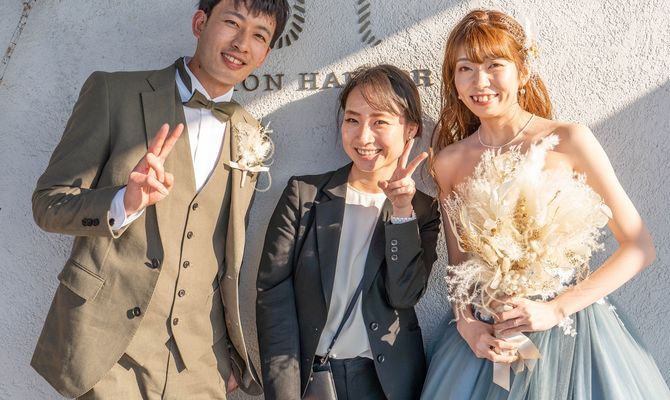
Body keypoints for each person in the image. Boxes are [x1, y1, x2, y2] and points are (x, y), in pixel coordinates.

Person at [30, 0, 288, 398]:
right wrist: (123, 203)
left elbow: (223, 253)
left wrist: (226, 354)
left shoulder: (250, 133)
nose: (241, 43)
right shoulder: (113, 93)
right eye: (232, 23)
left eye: (258, 35)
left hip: (200, 363)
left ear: (265, 53)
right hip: (110, 352)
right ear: (200, 23)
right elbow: (49, 204)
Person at [421, 9, 670, 399]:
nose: (479, 82)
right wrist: (467, 324)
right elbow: (460, 267)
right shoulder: (448, 163)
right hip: (492, 341)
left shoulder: (569, 141)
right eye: (465, 68)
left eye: (494, 65)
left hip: (571, 333)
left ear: (522, 72)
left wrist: (555, 309)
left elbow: (639, 247)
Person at [256, 64, 440, 400]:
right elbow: (274, 299)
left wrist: (402, 211)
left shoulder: (423, 210)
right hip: (313, 379)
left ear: (410, 129)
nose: (363, 137)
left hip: (384, 383)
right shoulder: (304, 196)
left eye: (379, 122)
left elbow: (404, 295)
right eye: (352, 120)